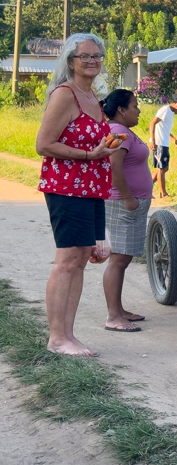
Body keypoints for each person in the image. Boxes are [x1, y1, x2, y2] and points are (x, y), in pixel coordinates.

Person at [36, 33, 119, 356]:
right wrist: (89, 156)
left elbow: (93, 144)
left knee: (81, 260)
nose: (92, 61)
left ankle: (68, 335)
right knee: (67, 262)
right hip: (67, 188)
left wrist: (105, 149)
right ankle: (57, 338)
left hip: (91, 189)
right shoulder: (65, 94)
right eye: (85, 56)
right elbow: (43, 144)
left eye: (97, 55)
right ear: (70, 61)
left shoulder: (91, 96)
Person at [102, 89, 153, 332]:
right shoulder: (119, 131)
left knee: (123, 258)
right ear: (122, 109)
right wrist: (128, 197)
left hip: (131, 203)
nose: (139, 110)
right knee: (118, 259)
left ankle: (119, 310)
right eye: (135, 105)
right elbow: (113, 165)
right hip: (123, 204)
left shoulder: (123, 131)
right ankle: (113, 317)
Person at [148, 96, 177, 198]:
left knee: (164, 168)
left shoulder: (170, 113)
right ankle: (163, 193)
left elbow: (164, 129)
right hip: (159, 143)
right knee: (161, 169)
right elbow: (152, 123)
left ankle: (146, 189)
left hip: (164, 143)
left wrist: (174, 139)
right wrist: (153, 140)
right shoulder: (165, 110)